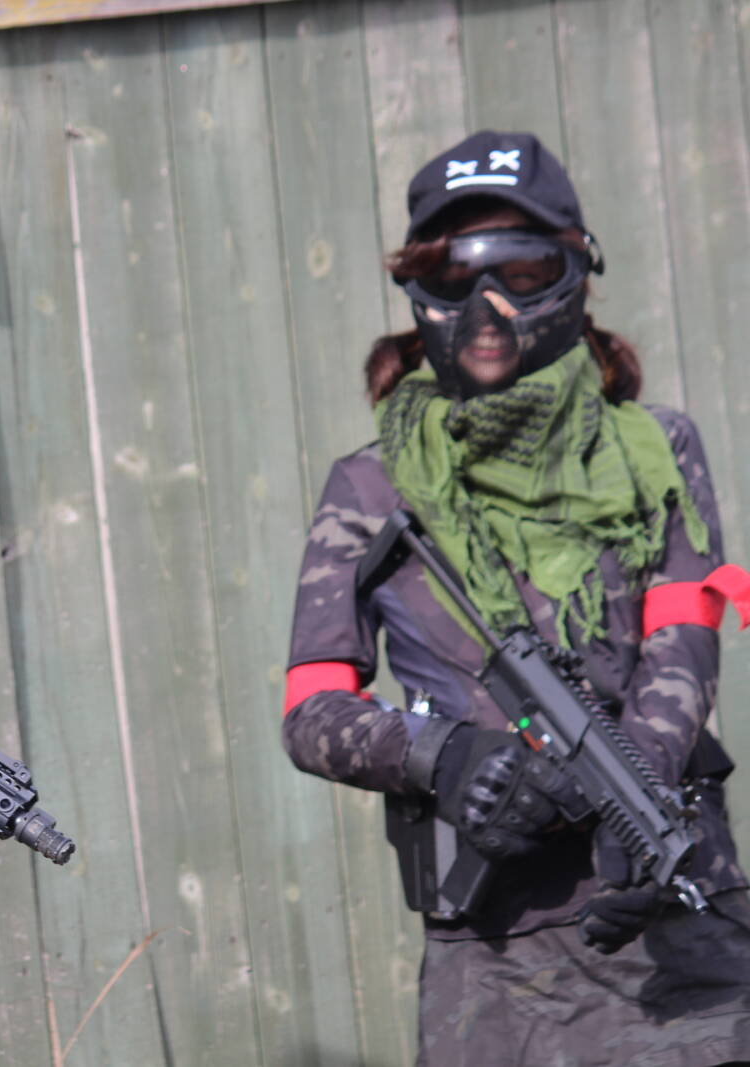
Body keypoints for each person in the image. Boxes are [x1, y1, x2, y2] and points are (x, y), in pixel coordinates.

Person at [280, 130, 750, 1065]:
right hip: (492, 956)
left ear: (576, 275)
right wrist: (443, 755)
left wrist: (629, 793)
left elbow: (685, 646)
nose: (488, 308)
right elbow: (309, 711)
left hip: (668, 915)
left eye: (523, 271)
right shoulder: (370, 487)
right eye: (454, 275)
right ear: (418, 289)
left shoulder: (655, 448)